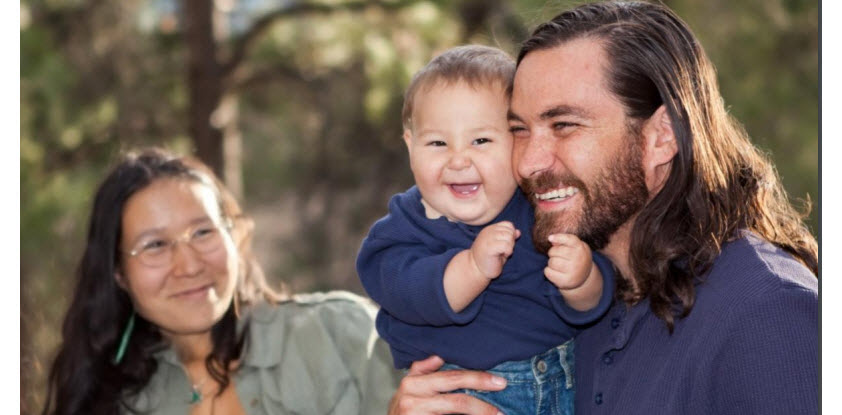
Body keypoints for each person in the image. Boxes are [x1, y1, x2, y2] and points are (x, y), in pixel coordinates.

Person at [389, 1, 818, 414]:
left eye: (564, 126)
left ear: (662, 136)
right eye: (519, 130)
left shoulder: (768, 312)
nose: (529, 162)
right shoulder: (571, 287)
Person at [42, 148, 401, 415]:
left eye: (202, 232)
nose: (189, 265)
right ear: (118, 273)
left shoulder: (341, 334)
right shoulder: (114, 402)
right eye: (154, 245)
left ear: (233, 236)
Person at [358, 45, 615, 414]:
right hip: (459, 390)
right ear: (410, 146)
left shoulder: (539, 209)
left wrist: (581, 279)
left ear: (516, 142)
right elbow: (402, 288)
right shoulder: (406, 225)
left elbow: (595, 302)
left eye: (481, 140)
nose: (459, 159)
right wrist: (471, 268)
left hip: (564, 382)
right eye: (437, 143)